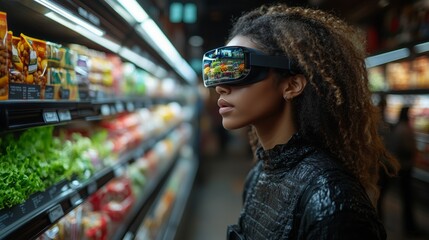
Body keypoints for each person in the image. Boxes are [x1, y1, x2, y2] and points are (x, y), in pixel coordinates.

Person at [201, 4, 400, 239]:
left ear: (292, 85)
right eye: (215, 72)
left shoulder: (332, 198)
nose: (220, 87)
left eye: (238, 68)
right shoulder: (258, 174)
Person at [390, 106, 419, 236]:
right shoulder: (404, 129)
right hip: (406, 167)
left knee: (406, 197)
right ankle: (409, 227)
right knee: (407, 198)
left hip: (402, 166)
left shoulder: (398, 128)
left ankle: (409, 225)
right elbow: (404, 149)